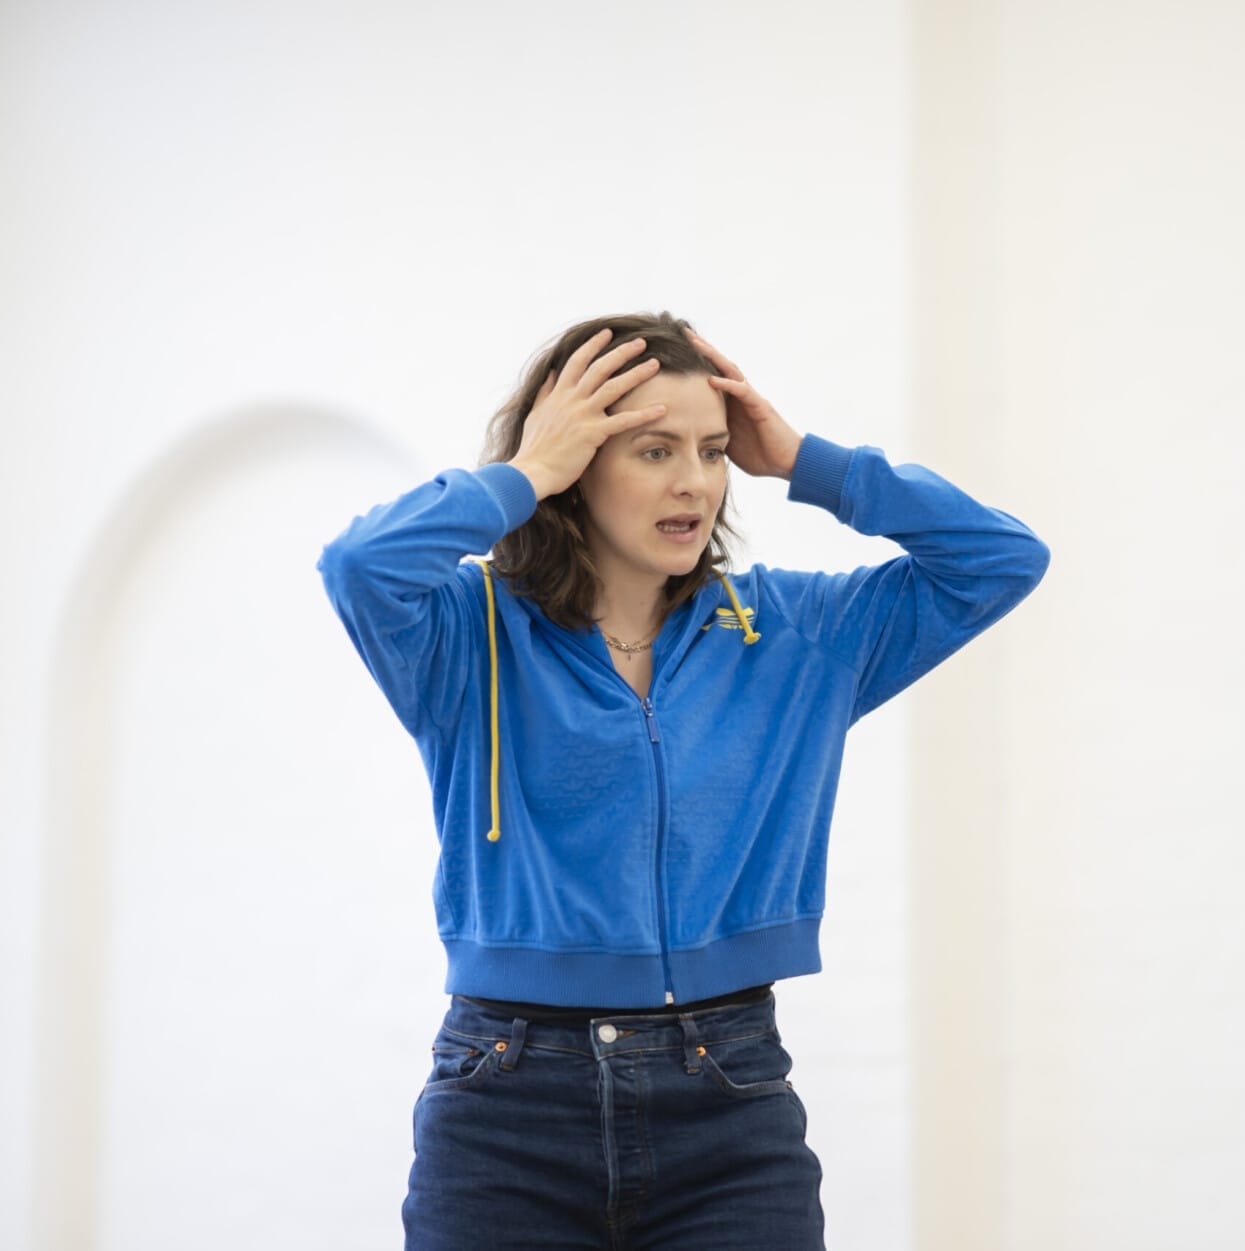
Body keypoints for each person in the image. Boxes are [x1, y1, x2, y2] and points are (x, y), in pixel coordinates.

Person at [315, 312, 1049, 1249]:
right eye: (655, 450)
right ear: (578, 465)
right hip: (505, 1105)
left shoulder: (792, 632)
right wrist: (526, 472)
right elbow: (359, 566)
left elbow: (1001, 559)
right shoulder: (468, 633)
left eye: (711, 450)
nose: (695, 482)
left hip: (728, 1100)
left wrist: (806, 461)